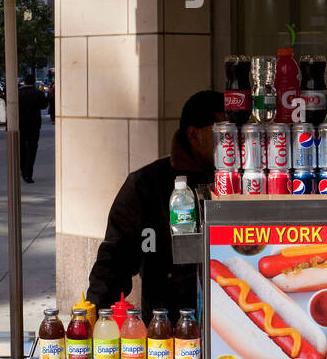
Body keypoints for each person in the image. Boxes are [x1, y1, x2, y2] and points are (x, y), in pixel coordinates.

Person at [87, 90, 224, 324]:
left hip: (234, 316)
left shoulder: (247, 182)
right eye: (223, 134)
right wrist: (94, 319)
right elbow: (115, 259)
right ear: (194, 135)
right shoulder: (146, 184)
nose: (233, 143)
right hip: (167, 327)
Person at [18, 72, 47, 183]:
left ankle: (22, 169)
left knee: (21, 148)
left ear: (24, 81)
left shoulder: (18, 93)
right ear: (34, 81)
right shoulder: (38, 93)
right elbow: (44, 105)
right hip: (34, 125)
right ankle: (28, 174)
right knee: (32, 149)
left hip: (21, 125)